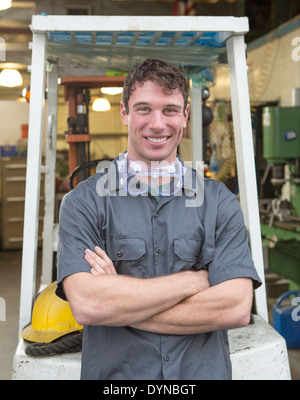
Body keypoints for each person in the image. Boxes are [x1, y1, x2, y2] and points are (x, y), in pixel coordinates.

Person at [56, 57, 262, 380]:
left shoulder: (219, 202)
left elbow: (235, 307)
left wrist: (120, 303)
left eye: (169, 110)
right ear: (124, 113)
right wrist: (195, 280)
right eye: (143, 109)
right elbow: (88, 305)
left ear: (185, 116)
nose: (157, 123)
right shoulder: (84, 203)